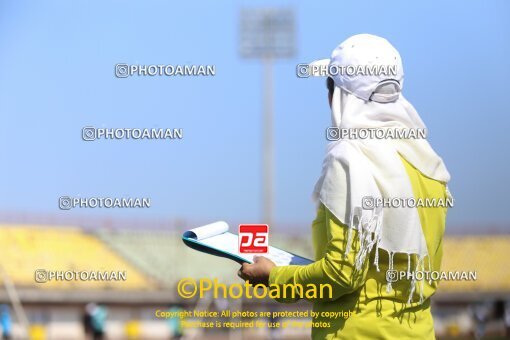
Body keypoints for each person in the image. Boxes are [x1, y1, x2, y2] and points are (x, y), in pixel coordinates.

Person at [239, 34, 452, 339]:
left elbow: (342, 274)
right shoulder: (427, 162)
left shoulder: (348, 159)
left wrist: (275, 276)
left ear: (337, 96)